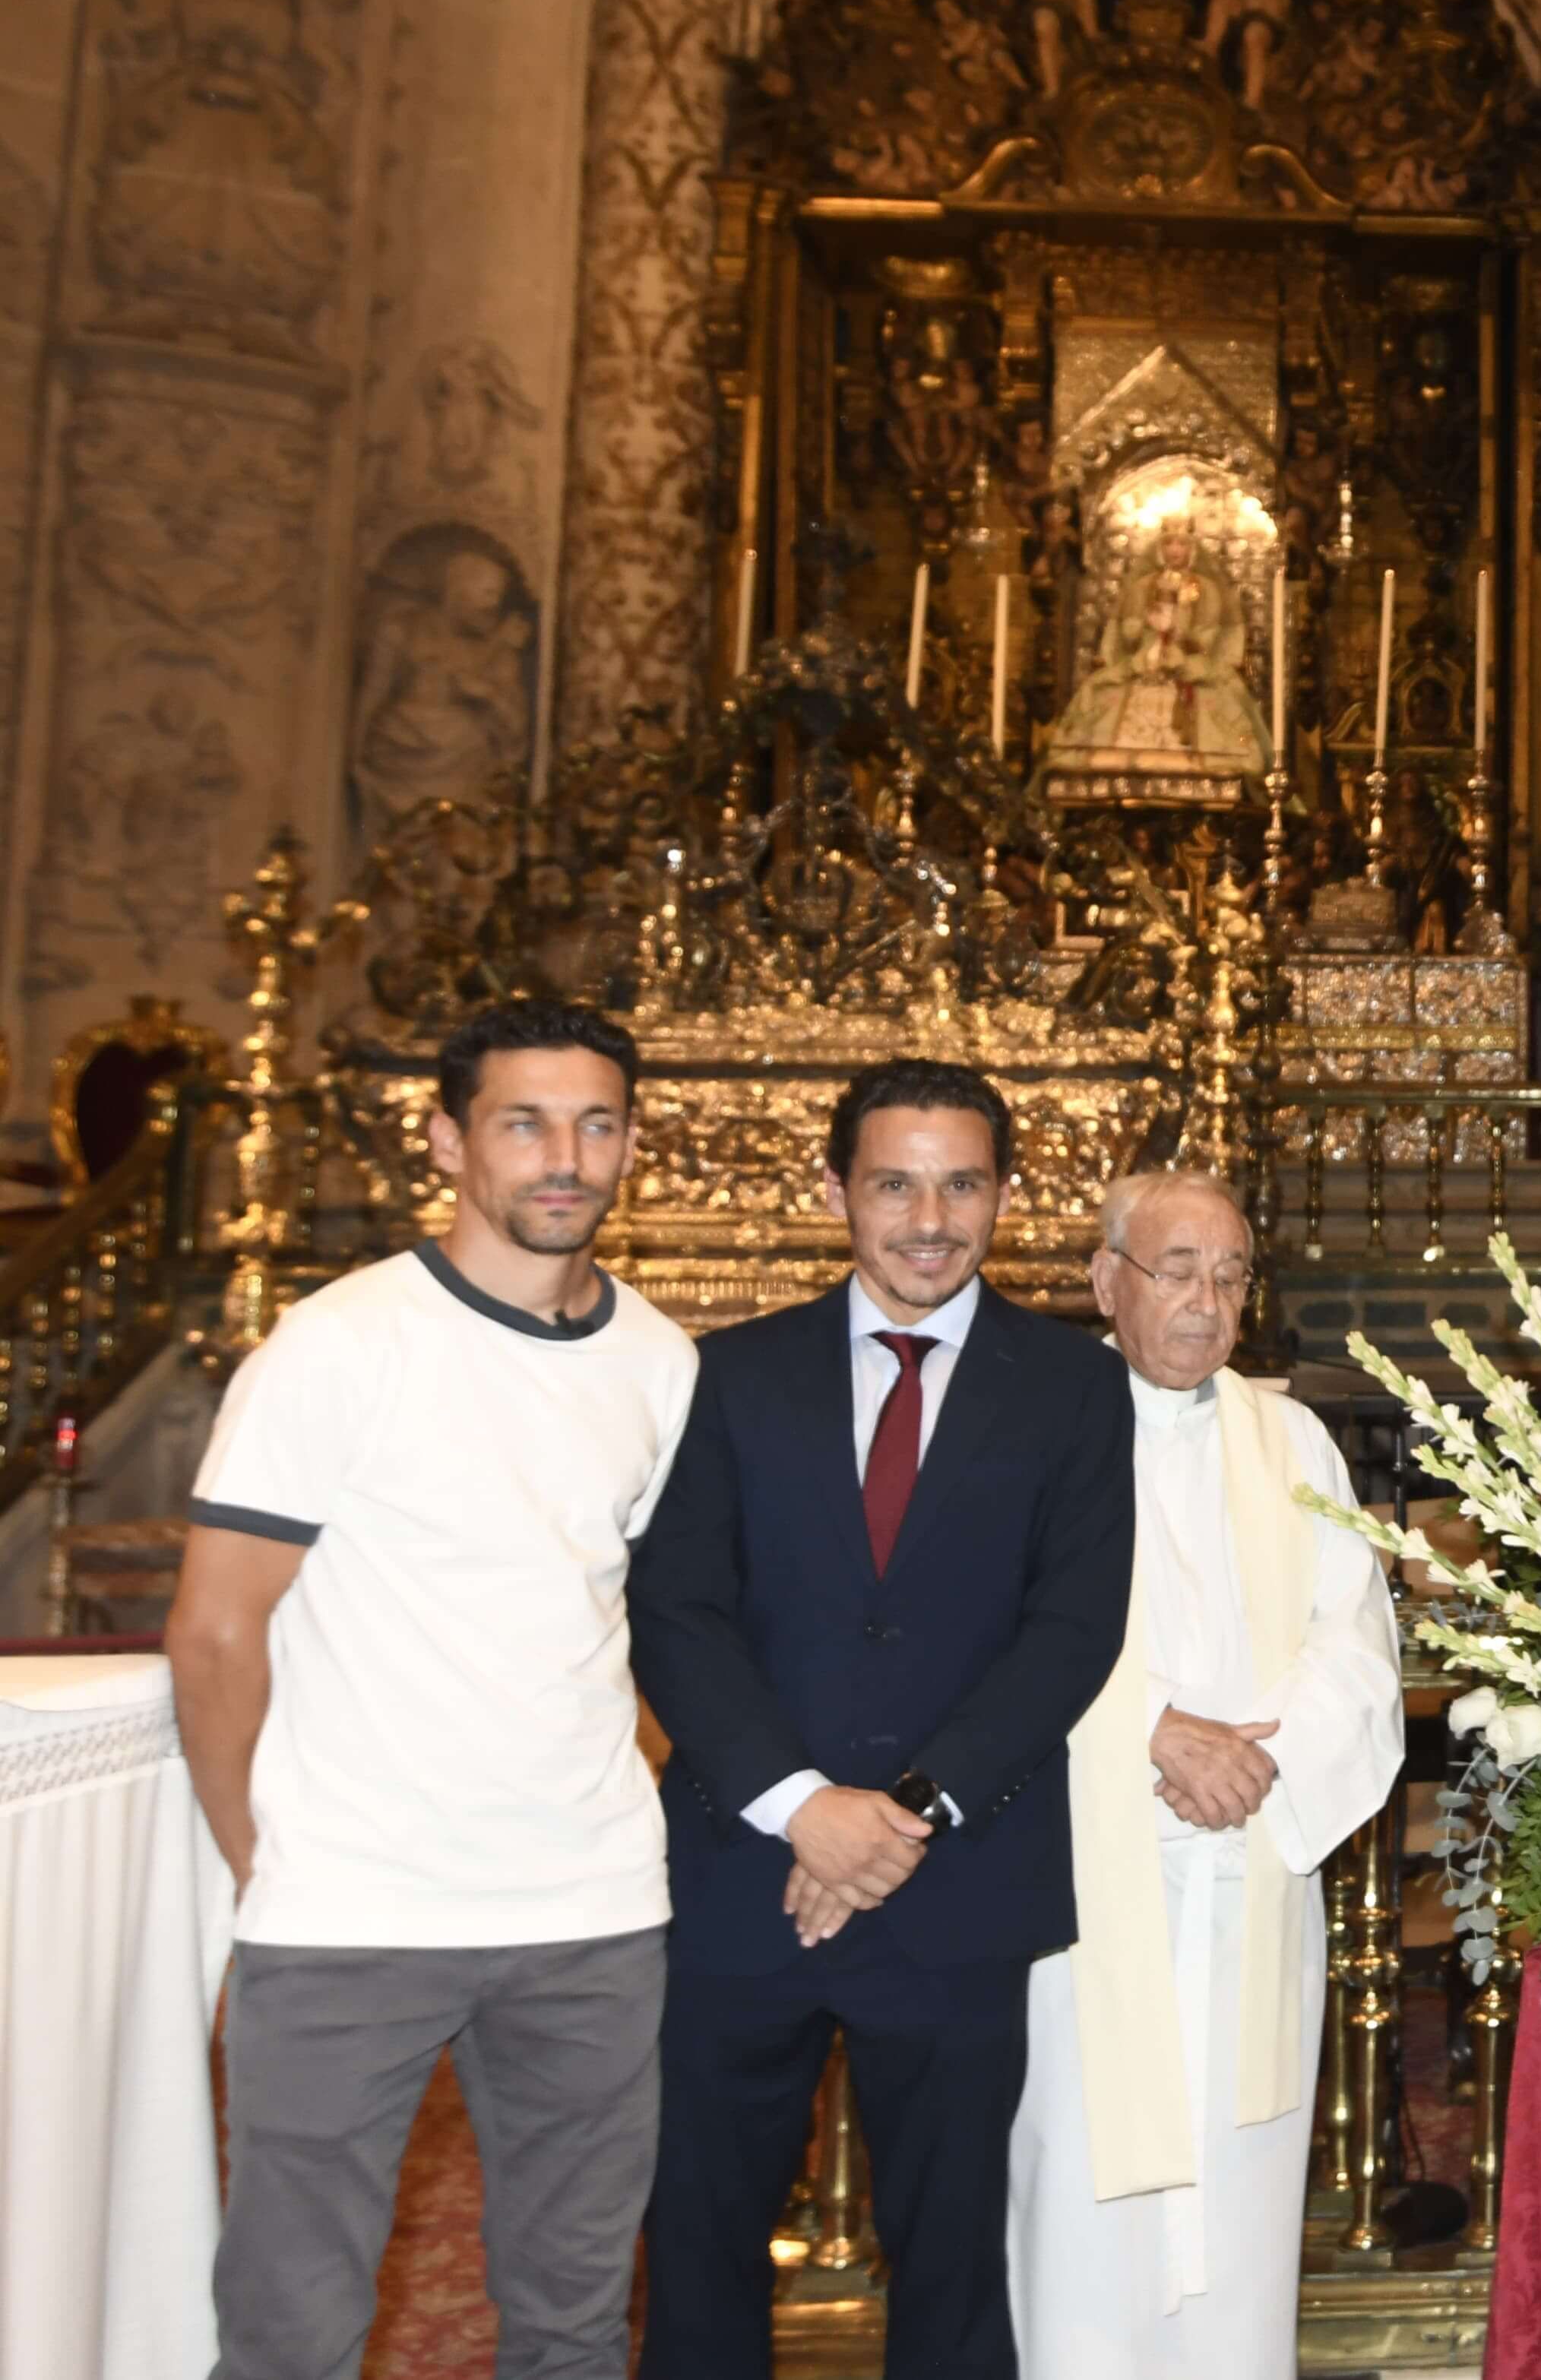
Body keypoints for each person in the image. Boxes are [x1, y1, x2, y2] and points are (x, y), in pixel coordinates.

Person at [166, 999, 697, 2380]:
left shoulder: (660, 1360)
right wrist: (266, 1859)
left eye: (595, 1123)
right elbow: (218, 1633)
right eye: (524, 1122)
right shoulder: (339, 1345)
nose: (563, 1157)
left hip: (591, 1917)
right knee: (293, 2331)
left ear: (633, 1139)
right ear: (451, 1136)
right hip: (353, 1913)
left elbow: (634, 1617)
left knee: (577, 2326)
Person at [631, 1058, 1137, 2380]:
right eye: (895, 1181)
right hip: (747, 1877)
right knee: (696, 2236)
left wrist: (901, 1816)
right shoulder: (729, 1373)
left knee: (957, 2253)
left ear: (1007, 1195)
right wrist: (805, 1808)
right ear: (837, 1190)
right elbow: (678, 1608)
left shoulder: (1075, 1389)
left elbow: (1072, 1631)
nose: (930, 1217)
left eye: (961, 1183)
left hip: (960, 1876)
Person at [1008, 1172, 1401, 2379]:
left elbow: (1358, 1635)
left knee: (1237, 2210)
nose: (1205, 1300)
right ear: (1105, 1280)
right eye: (1176, 1267)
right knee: (1080, 2218)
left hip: (1250, 1875)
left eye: (1230, 1275)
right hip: (1082, 1886)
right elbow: (986, 1634)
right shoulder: (1030, 1429)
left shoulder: (1288, 1438)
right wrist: (1153, 1730)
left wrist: (1262, 1756)